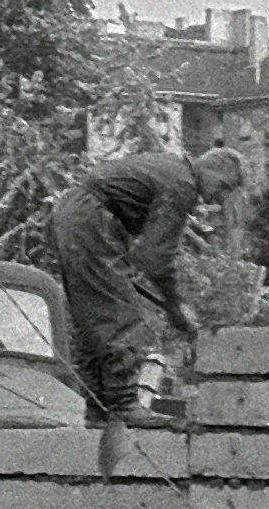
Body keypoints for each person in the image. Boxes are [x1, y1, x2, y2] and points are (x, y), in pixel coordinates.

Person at [48, 146, 246, 427]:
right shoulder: (182, 185)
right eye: (223, 186)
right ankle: (123, 403)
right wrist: (175, 306)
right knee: (120, 314)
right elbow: (155, 257)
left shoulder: (171, 167)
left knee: (93, 317)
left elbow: (143, 257)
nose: (218, 197)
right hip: (91, 220)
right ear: (209, 168)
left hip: (75, 215)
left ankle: (99, 409)